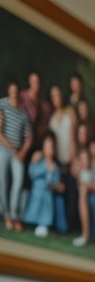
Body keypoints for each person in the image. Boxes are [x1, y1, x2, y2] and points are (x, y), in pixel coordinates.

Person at [0, 80, 32, 232]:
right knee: (3, 182)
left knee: (18, 182)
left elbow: (29, 136)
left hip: (18, 153)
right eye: (11, 91)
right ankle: (7, 215)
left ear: (19, 93)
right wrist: (11, 147)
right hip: (3, 149)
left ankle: (14, 215)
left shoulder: (24, 113)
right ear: (8, 92)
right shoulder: (2, 104)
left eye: (16, 92)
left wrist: (22, 152)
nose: (13, 94)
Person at [21, 133, 63, 237]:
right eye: (47, 146)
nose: (49, 149)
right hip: (36, 191)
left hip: (47, 193)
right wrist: (34, 162)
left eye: (51, 147)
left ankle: (43, 224)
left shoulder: (55, 167)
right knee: (34, 205)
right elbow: (32, 173)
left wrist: (55, 185)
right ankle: (30, 221)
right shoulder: (39, 160)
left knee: (46, 206)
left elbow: (56, 181)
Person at [73, 138, 95, 246]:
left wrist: (87, 185)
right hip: (85, 192)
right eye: (92, 148)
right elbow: (77, 174)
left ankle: (85, 235)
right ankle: (85, 234)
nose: (94, 151)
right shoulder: (85, 163)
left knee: (84, 191)